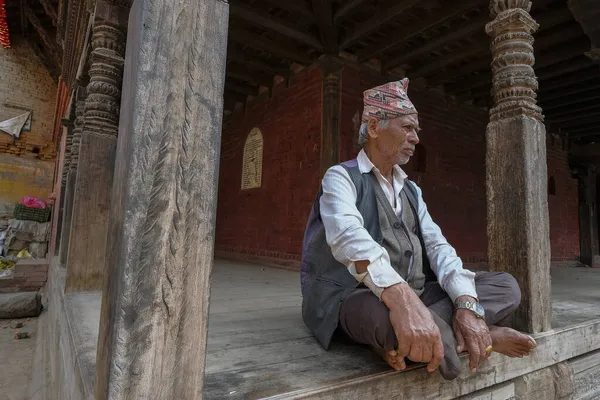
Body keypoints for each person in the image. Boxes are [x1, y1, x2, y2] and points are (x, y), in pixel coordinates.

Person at [300, 78, 536, 380]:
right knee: (385, 322)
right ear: (374, 128)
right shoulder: (341, 177)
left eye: (416, 131)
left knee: (506, 286)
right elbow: (348, 238)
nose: (415, 138)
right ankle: (482, 338)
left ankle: (429, 334)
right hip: (357, 295)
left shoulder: (410, 189)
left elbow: (438, 247)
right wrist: (401, 300)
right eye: (408, 128)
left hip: (420, 294)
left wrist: (466, 304)